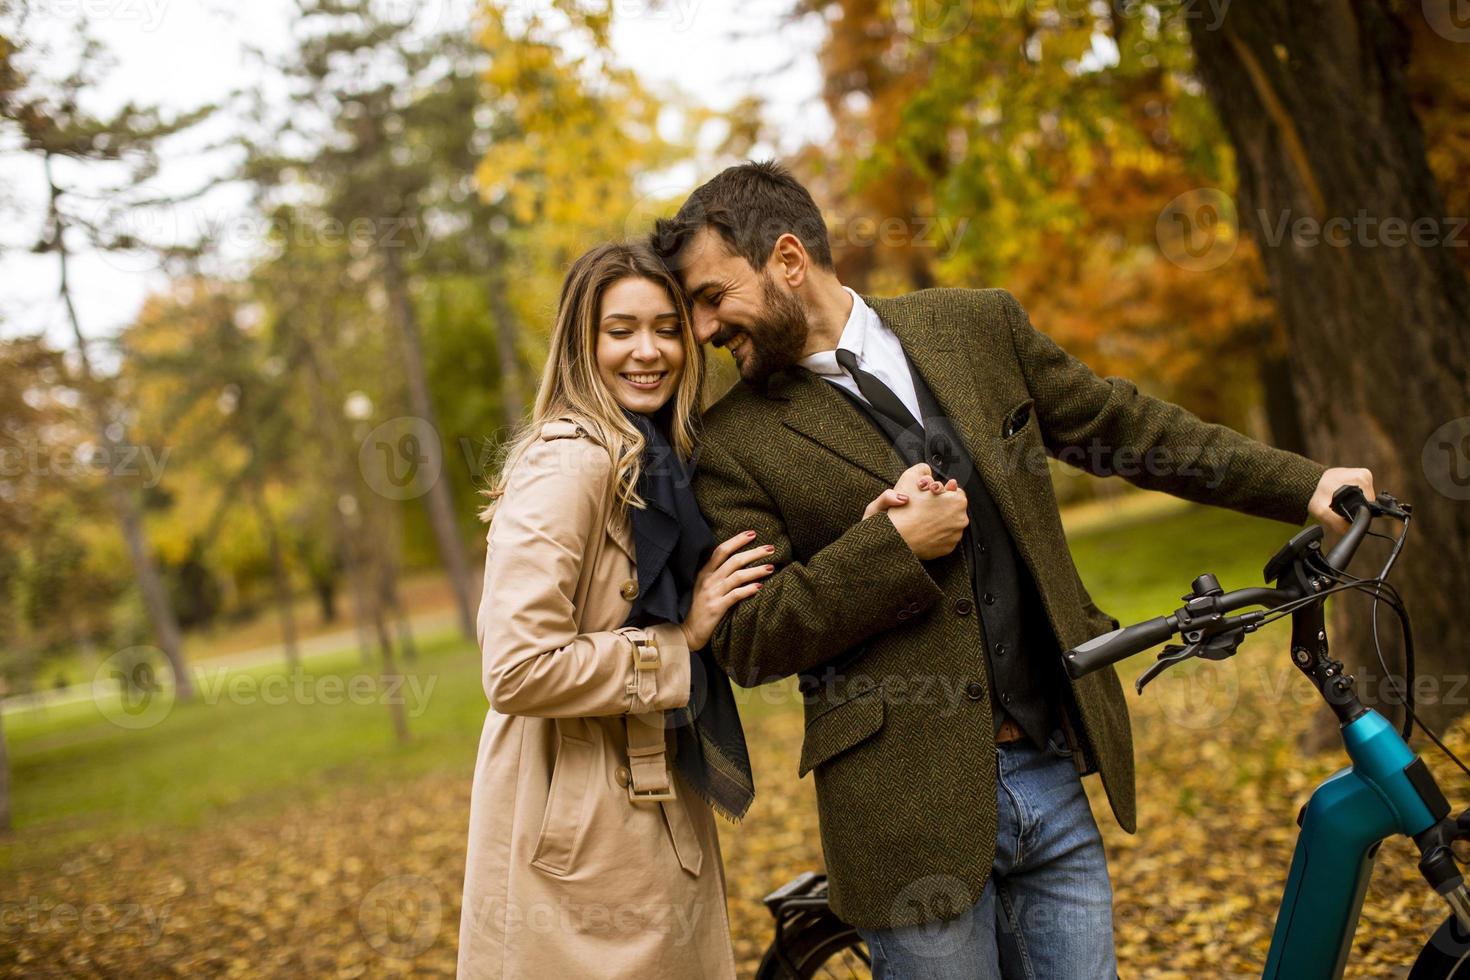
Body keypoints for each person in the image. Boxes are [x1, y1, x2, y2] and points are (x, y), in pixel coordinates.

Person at [650, 160, 1378, 979]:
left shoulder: (976, 326)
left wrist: (1302, 483)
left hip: (1052, 772)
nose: (705, 330)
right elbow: (748, 640)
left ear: (787, 260)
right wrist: (888, 551)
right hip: (903, 818)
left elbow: (1127, 427)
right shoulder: (730, 443)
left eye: (713, 297)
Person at [455, 241, 774, 978]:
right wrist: (679, 639)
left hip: (640, 798)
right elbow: (515, 668)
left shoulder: (649, 455)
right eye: (620, 330)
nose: (649, 351)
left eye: (666, 328)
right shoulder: (570, 460)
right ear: (581, 343)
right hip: (575, 821)